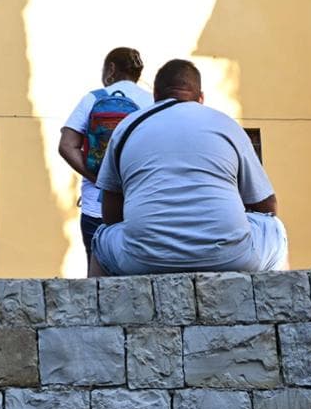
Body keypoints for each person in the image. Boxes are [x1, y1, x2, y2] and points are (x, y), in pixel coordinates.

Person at [91, 58, 286, 276]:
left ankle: (96, 308)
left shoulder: (127, 127)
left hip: (143, 259)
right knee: (274, 227)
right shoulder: (226, 124)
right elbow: (267, 206)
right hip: (230, 256)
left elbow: (110, 215)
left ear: (155, 96)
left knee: (101, 236)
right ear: (200, 98)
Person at [59, 47, 153, 264]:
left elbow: (66, 146)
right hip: (139, 204)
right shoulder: (152, 102)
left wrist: (99, 179)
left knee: (97, 273)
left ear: (111, 68)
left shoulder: (94, 98)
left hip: (95, 206)